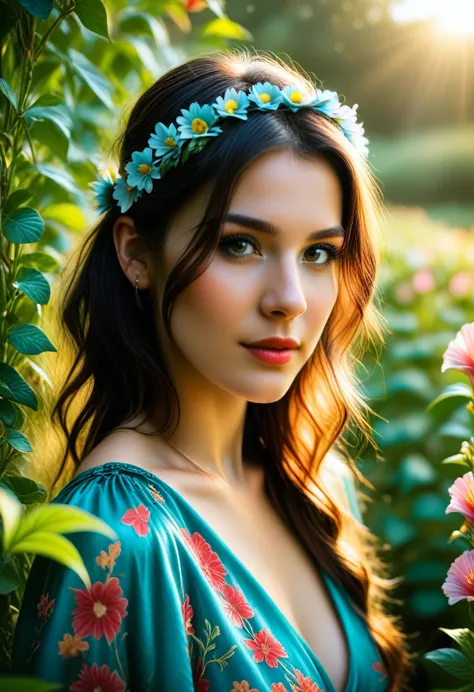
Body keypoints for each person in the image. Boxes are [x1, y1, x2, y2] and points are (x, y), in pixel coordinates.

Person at [11, 48, 414, 691]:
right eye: (240, 244)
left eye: (319, 252)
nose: (290, 298)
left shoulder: (312, 483)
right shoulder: (114, 537)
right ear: (137, 253)